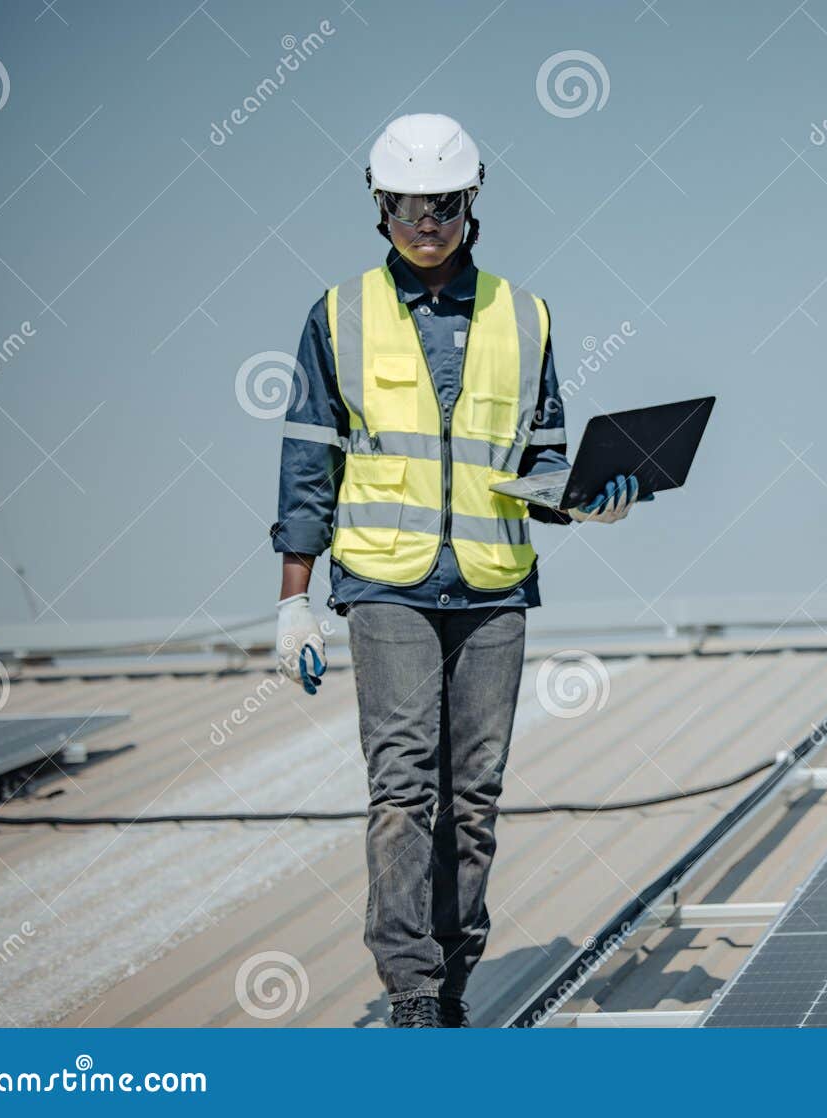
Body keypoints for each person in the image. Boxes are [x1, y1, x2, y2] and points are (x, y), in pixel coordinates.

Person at [268, 113, 643, 1027]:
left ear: (471, 204)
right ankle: (412, 991)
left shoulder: (526, 314)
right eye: (406, 206)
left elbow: (542, 464)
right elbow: (308, 459)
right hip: (385, 583)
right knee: (402, 786)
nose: (425, 223)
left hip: (491, 585)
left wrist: (594, 496)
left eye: (442, 205)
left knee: (472, 797)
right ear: (379, 205)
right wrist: (294, 601)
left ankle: (454, 978)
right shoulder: (339, 313)